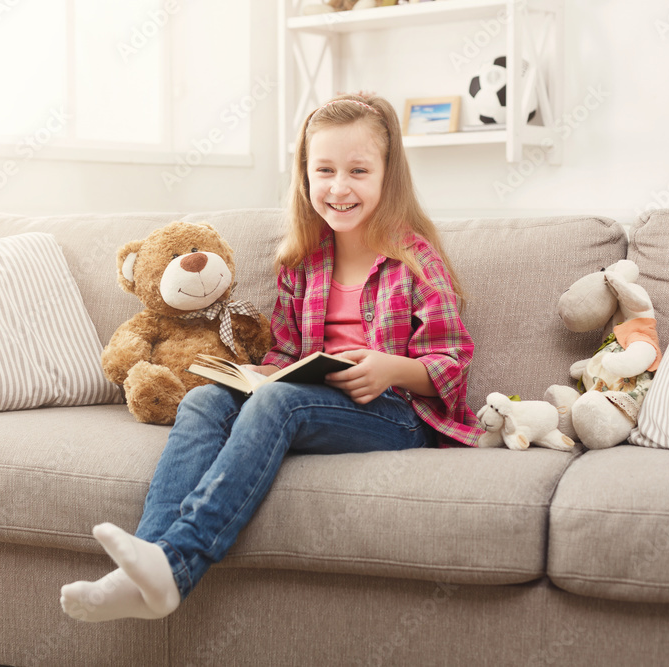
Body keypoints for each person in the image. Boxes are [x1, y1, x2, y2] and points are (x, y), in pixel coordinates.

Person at [59, 93, 483, 623]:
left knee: (279, 403)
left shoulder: (414, 259)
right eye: (324, 170)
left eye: (358, 171)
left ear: (387, 175)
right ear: (305, 175)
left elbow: (452, 360)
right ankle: (143, 569)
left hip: (395, 414)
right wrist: (262, 371)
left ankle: (177, 564)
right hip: (313, 398)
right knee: (205, 401)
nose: (339, 187)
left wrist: (390, 368)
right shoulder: (302, 260)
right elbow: (287, 351)